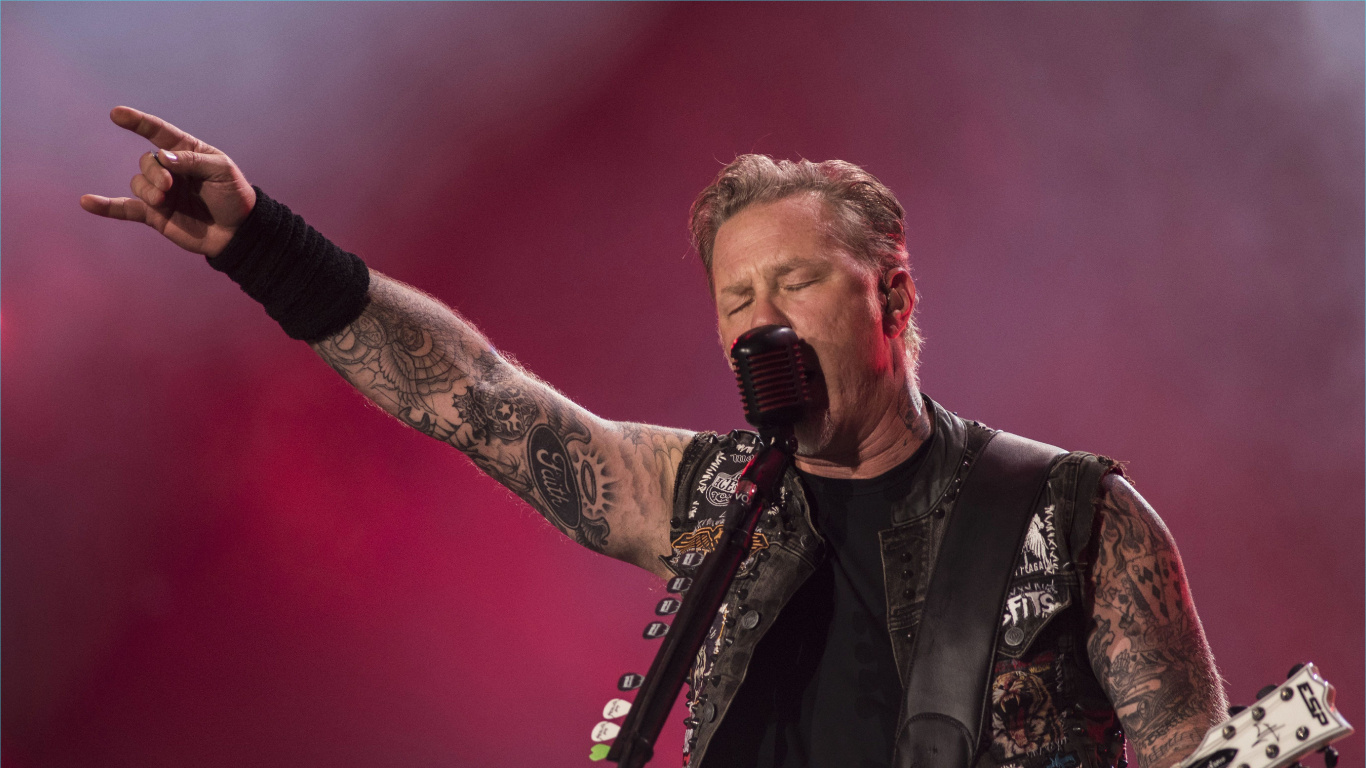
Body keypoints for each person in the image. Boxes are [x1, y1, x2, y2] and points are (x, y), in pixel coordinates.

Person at [81, 106, 1227, 768]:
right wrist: (262, 247)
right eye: (736, 297)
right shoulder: (719, 497)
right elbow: (478, 399)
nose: (760, 319)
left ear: (893, 295)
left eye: (794, 282)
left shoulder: (1071, 518)